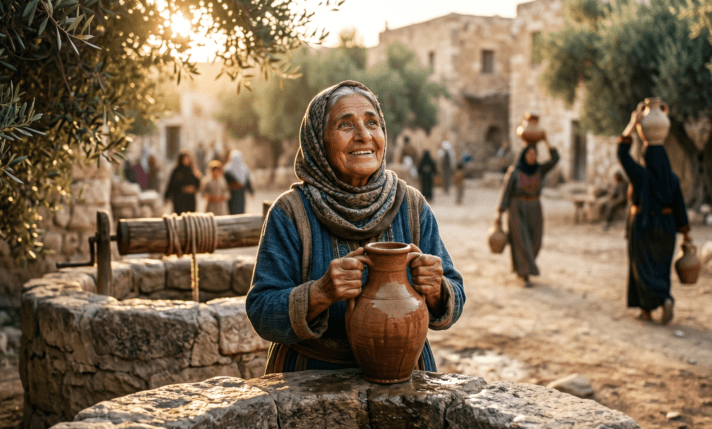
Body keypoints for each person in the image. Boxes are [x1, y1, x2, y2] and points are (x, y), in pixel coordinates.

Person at [246, 81, 465, 374]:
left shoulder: (411, 206)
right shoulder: (290, 213)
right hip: (311, 380)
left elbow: (455, 297)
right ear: (318, 142)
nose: (364, 136)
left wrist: (437, 289)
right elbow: (261, 312)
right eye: (345, 125)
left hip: (403, 373)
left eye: (372, 123)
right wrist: (319, 293)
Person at [618, 103, 690, 324]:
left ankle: (650, 308)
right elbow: (680, 207)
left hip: (643, 224)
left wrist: (633, 124)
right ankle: (664, 298)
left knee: (642, 268)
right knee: (660, 267)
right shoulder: (673, 179)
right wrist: (686, 234)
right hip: (667, 229)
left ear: (646, 157)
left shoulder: (640, 175)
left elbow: (622, 152)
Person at [495, 141, 560, 287]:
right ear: (524, 155)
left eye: (534, 154)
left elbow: (555, 159)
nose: (532, 156)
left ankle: (523, 268)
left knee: (535, 241)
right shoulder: (515, 171)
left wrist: (545, 140)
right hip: (516, 208)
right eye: (529, 153)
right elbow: (505, 192)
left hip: (535, 208)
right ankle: (525, 275)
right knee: (521, 241)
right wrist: (499, 213)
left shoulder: (539, 169)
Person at [224, 150, 254, 215]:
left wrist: (251, 191)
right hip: (232, 193)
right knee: (232, 210)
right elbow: (225, 182)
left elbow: (247, 182)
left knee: (240, 209)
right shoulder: (228, 169)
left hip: (240, 193)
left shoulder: (244, 168)